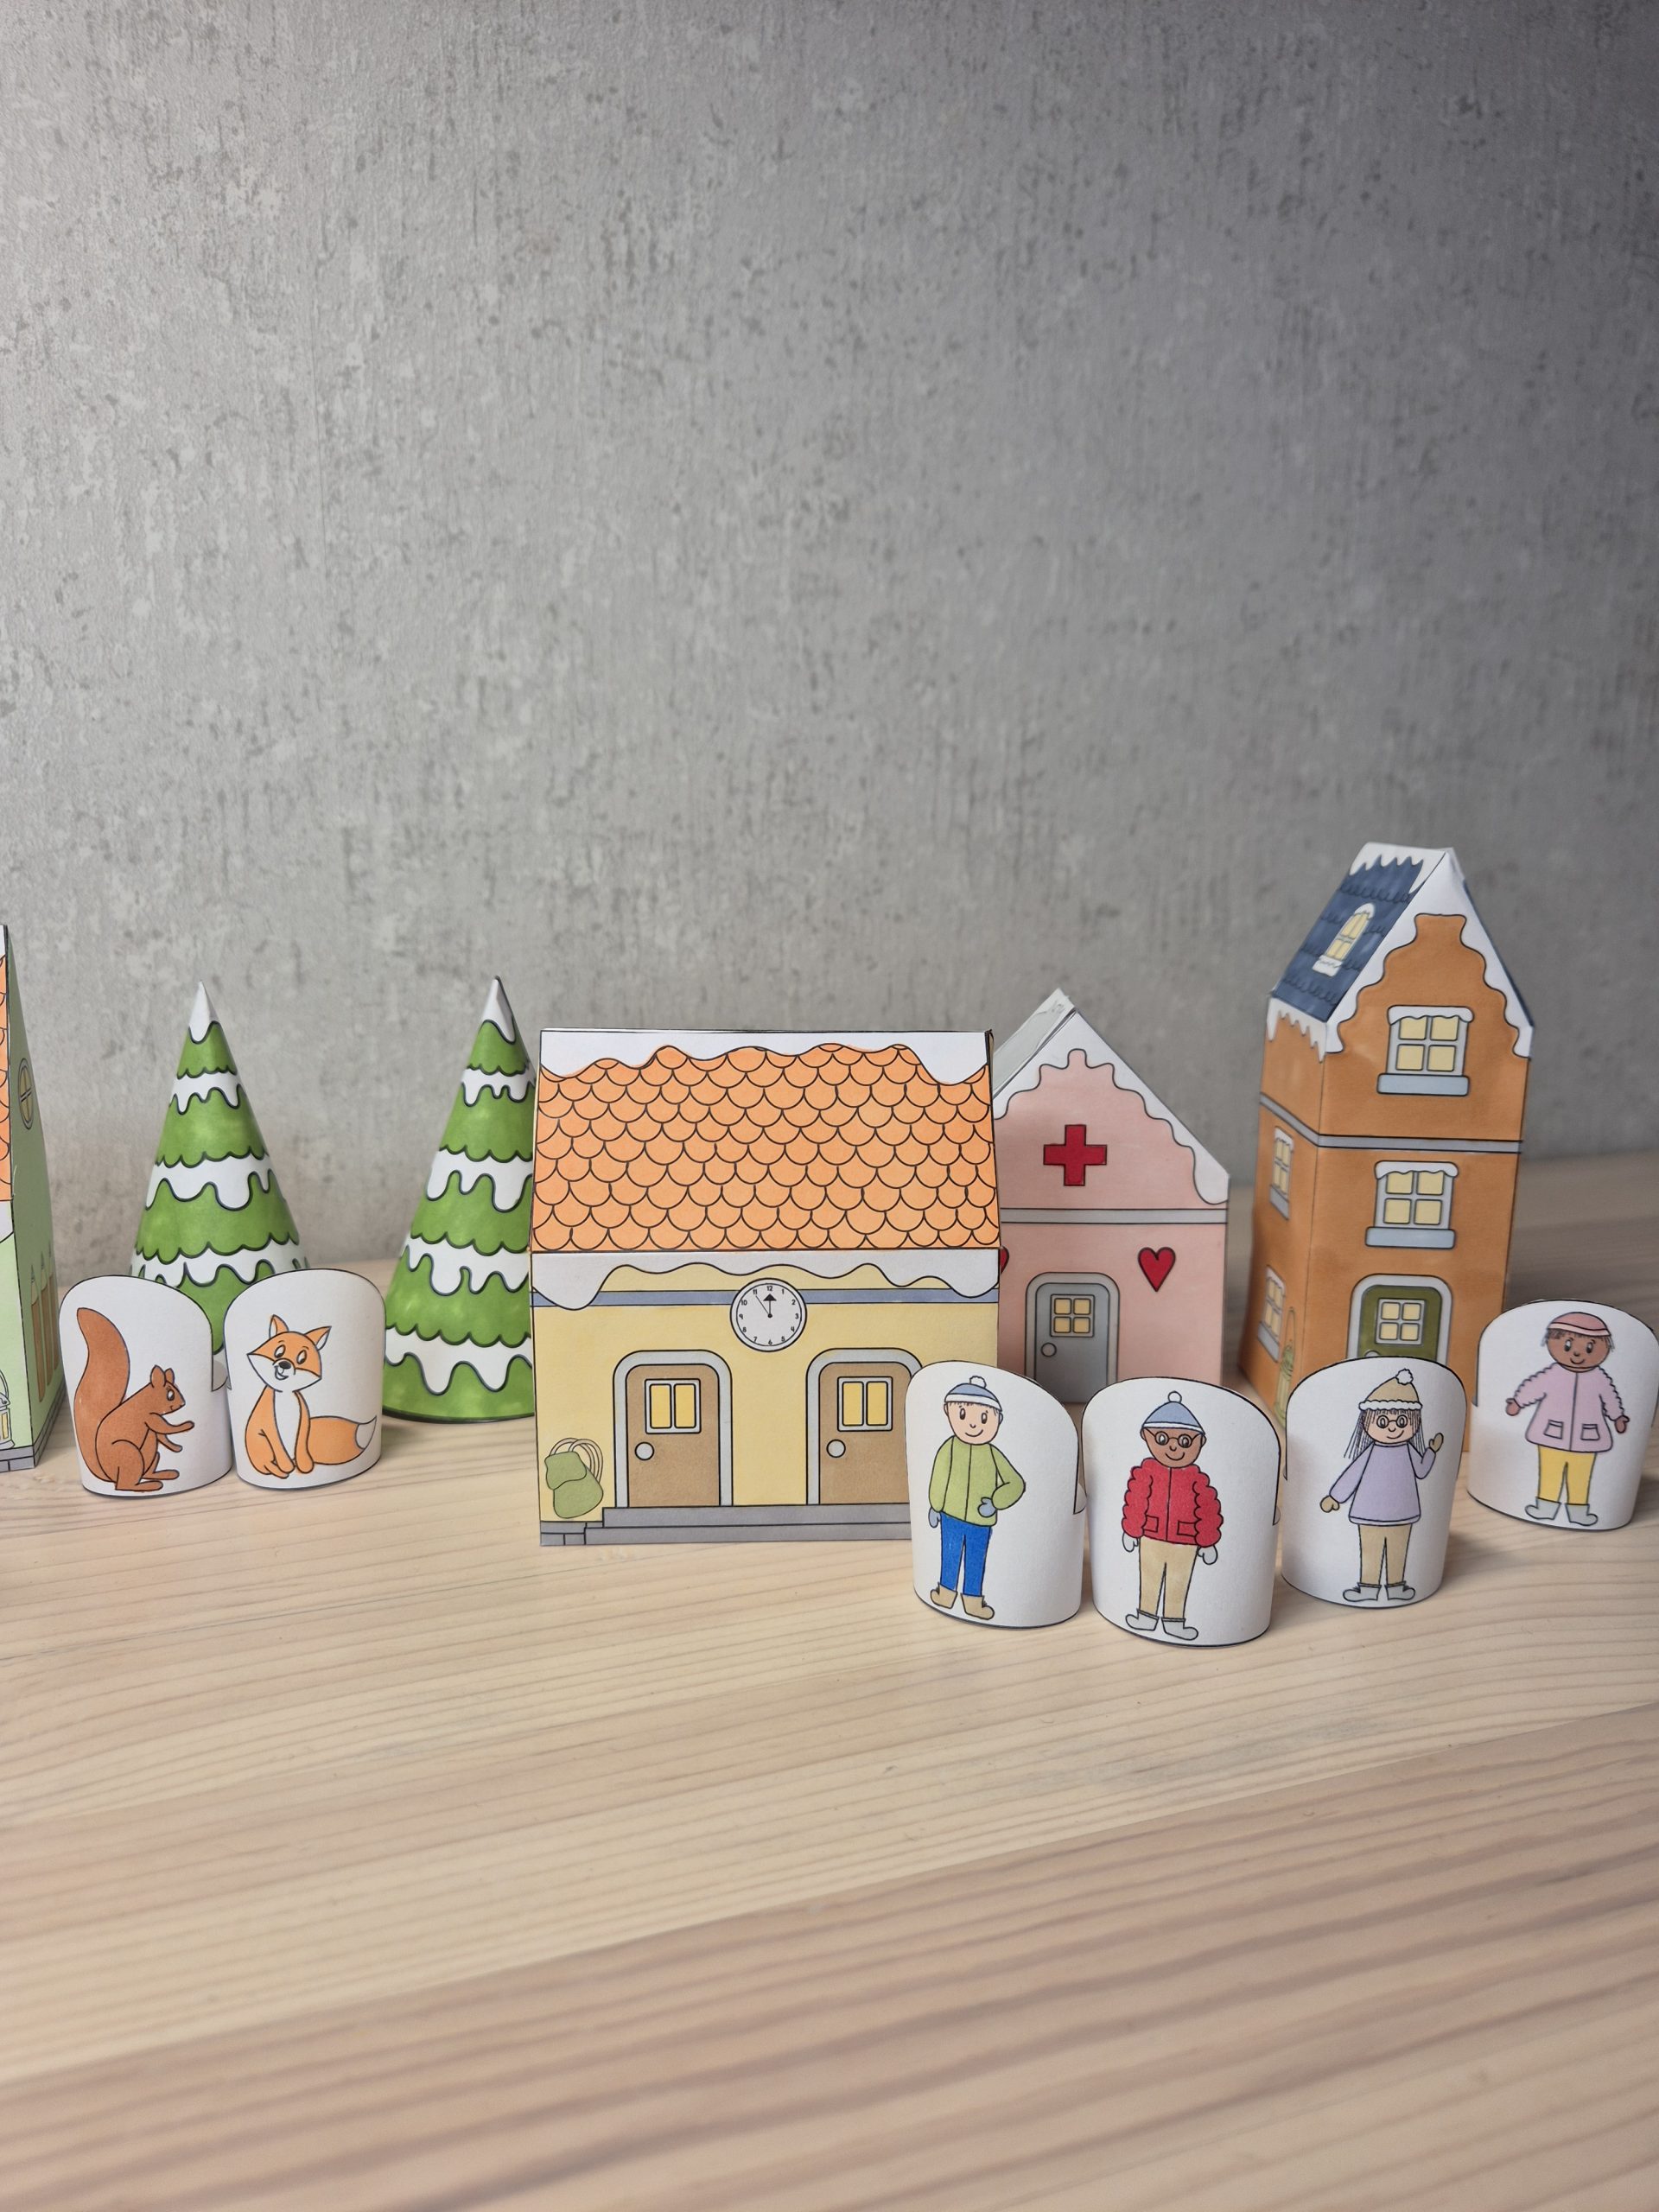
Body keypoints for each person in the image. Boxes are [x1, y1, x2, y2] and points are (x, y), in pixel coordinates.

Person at [1320, 1369, 1442, 1603]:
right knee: (1371, 1551)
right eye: (1383, 1421)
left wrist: (1431, 1452)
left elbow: (1421, 1471)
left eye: (1402, 1421)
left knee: (1398, 1550)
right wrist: (1335, 1497)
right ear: (1366, 1422)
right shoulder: (1370, 1452)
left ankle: (1396, 1588)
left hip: (1402, 1513)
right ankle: (1368, 1589)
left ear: (1415, 1423)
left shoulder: (1408, 1450)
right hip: (1369, 1513)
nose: (1393, 1428)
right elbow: (1352, 1474)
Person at [1506, 1309, 1629, 1526]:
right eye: (1568, 1345)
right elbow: (1533, 1387)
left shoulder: (1599, 1378)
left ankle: (1578, 1512)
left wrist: (1618, 1417)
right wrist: (1518, 1402)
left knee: (1581, 1476)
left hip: (1587, 1438)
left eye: (1589, 1347)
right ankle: (1545, 1508)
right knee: (1550, 1472)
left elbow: (1611, 1398)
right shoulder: (1552, 1374)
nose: (1577, 1354)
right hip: (1551, 1435)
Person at [1120, 1392, 1222, 1642]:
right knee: (1149, 1578)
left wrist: (1208, 1541)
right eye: (1163, 1439)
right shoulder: (1146, 1472)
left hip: (1186, 1542)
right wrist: (1131, 1530)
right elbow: (1136, 1499)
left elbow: (1208, 1509)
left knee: (1179, 1582)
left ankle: (1174, 1622)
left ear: (1201, 1442)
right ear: (1147, 1437)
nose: (1173, 1447)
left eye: (1185, 1441)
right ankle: (1146, 1617)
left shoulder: (1197, 1478)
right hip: (1151, 1536)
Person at [928, 1375, 1026, 1621]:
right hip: (950, 1515)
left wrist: (996, 1502)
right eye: (962, 1414)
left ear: (997, 1420)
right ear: (948, 1412)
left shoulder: (993, 1454)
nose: (973, 1424)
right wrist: (935, 1505)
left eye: (984, 1418)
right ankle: (945, 1594)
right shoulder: (949, 1448)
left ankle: (972, 1601)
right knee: (949, 1555)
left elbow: (1016, 1483)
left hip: (980, 1522)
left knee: (975, 1560)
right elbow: (939, 1476)